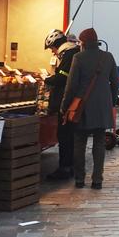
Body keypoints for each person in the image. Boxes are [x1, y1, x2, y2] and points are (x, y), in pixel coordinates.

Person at [60, 28, 119, 190]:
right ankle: (97, 180)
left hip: (83, 107)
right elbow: (115, 83)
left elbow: (71, 86)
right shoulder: (108, 57)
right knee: (99, 143)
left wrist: (65, 106)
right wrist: (112, 103)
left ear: (83, 43)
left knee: (79, 143)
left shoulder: (78, 58)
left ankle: (80, 179)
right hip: (102, 106)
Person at [43, 29, 81, 180]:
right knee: (70, 136)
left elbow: (63, 78)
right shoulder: (73, 52)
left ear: (56, 44)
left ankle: (65, 168)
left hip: (67, 103)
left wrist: (47, 79)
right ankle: (70, 166)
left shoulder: (68, 55)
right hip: (73, 102)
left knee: (65, 136)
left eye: (51, 48)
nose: (52, 52)